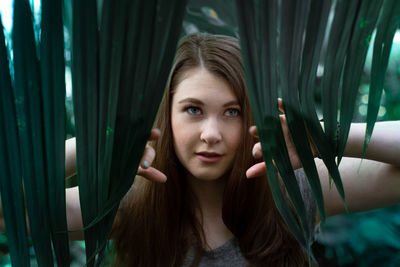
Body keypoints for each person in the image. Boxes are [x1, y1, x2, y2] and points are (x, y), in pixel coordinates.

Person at [24, 33, 400, 266]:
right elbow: (12, 208)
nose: (211, 134)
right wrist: (92, 149)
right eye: (193, 110)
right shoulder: (128, 204)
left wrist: (326, 138)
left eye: (232, 112)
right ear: (165, 118)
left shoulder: (293, 191)